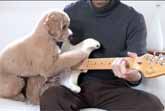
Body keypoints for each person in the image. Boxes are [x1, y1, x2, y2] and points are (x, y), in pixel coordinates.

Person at [40, 0, 164, 111]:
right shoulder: (69, 13)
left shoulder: (134, 19)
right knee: (51, 96)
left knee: (152, 105)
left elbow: (138, 73)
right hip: (73, 87)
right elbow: (50, 54)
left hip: (114, 89)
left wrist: (131, 75)